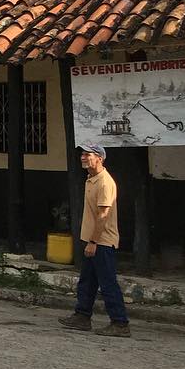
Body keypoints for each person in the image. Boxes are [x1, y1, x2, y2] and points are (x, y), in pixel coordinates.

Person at [59, 143, 129, 338]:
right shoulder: (91, 179)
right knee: (87, 281)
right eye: (82, 154)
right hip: (93, 240)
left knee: (107, 283)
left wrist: (94, 242)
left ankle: (120, 323)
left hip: (102, 241)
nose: (83, 157)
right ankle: (82, 316)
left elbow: (103, 215)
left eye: (88, 154)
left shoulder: (105, 182)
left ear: (100, 158)